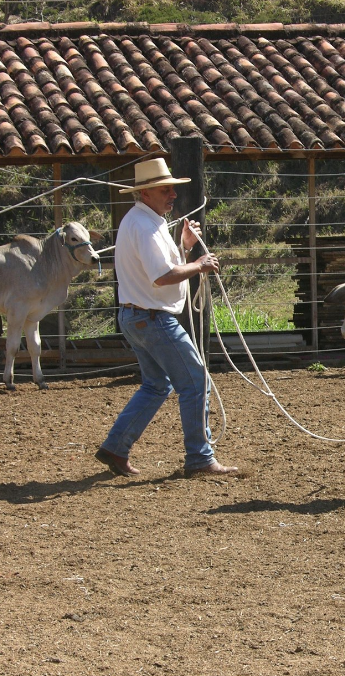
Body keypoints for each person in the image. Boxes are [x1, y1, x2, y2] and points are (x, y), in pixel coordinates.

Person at [95, 157, 238, 478]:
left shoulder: (146, 221)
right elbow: (161, 276)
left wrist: (184, 248)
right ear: (145, 193)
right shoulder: (145, 226)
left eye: (172, 189)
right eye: (164, 190)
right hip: (153, 317)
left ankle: (116, 447)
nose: (172, 195)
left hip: (138, 316)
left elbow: (159, 268)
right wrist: (200, 265)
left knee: (157, 385)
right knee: (195, 380)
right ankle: (200, 458)